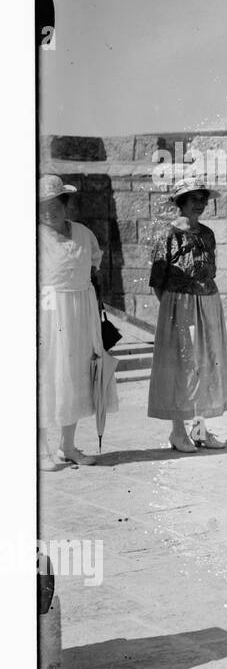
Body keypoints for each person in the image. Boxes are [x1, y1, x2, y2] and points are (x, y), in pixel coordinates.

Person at [148, 176, 227, 453]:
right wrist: (175, 310)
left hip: (207, 303)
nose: (200, 204)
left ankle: (200, 429)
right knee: (180, 367)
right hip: (179, 307)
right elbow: (158, 283)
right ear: (180, 202)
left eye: (203, 198)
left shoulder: (207, 234)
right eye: (194, 198)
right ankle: (177, 431)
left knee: (204, 365)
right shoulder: (168, 235)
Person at [38, 174, 116, 470]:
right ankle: (40, 450)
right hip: (48, 311)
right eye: (42, 205)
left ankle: (67, 446)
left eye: (54, 204)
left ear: (65, 203)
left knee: (76, 374)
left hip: (81, 310)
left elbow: (92, 267)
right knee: (48, 374)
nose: (49, 210)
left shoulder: (83, 233)